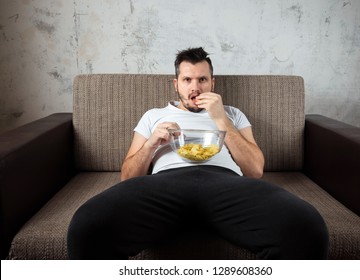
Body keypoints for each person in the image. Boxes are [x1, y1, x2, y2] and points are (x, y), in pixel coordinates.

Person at [67, 47, 329, 259]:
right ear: (176, 84)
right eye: (187, 80)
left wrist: (221, 119)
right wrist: (151, 144)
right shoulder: (153, 116)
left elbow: (255, 170)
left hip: (225, 182)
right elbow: (127, 177)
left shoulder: (233, 114)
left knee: (307, 227)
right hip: (164, 184)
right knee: (87, 226)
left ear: (212, 83)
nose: (195, 87)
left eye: (202, 79)